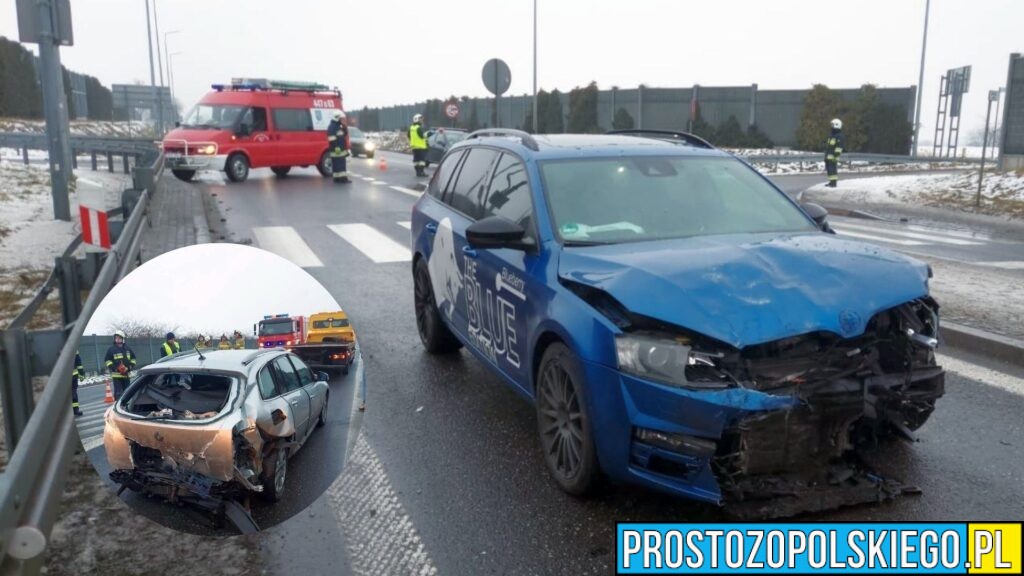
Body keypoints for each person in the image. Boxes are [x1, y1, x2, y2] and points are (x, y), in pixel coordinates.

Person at [104, 330, 137, 400]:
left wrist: (129, 367)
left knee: (127, 392)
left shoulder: (128, 349)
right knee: (118, 393)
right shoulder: (111, 349)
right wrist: (115, 368)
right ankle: (117, 407)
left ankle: (126, 406)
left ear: (123, 339)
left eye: (119, 338)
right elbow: (107, 360)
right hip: (117, 375)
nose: (117, 339)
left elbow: (133, 359)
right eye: (116, 338)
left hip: (126, 374)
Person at [327, 111, 351, 184]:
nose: (342, 120)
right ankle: (342, 179)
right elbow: (331, 138)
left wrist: (344, 127)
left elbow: (345, 134)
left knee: (339, 164)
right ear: (337, 118)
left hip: (340, 149)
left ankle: (337, 178)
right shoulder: (332, 127)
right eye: (341, 118)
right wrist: (336, 147)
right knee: (339, 164)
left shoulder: (339, 126)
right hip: (337, 149)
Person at [825, 118, 845, 188]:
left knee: (832, 169)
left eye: (832, 125)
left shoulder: (839, 136)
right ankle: (831, 182)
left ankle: (834, 183)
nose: (831, 126)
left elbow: (839, 147)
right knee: (829, 169)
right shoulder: (832, 136)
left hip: (833, 157)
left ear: (836, 125)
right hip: (828, 156)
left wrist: (836, 155)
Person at [72, 350, 84, 416]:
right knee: (73, 393)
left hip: (73, 376)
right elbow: (79, 363)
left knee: (73, 393)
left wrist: (81, 374)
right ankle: (75, 410)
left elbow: (79, 364)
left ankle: (75, 410)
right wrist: (81, 374)